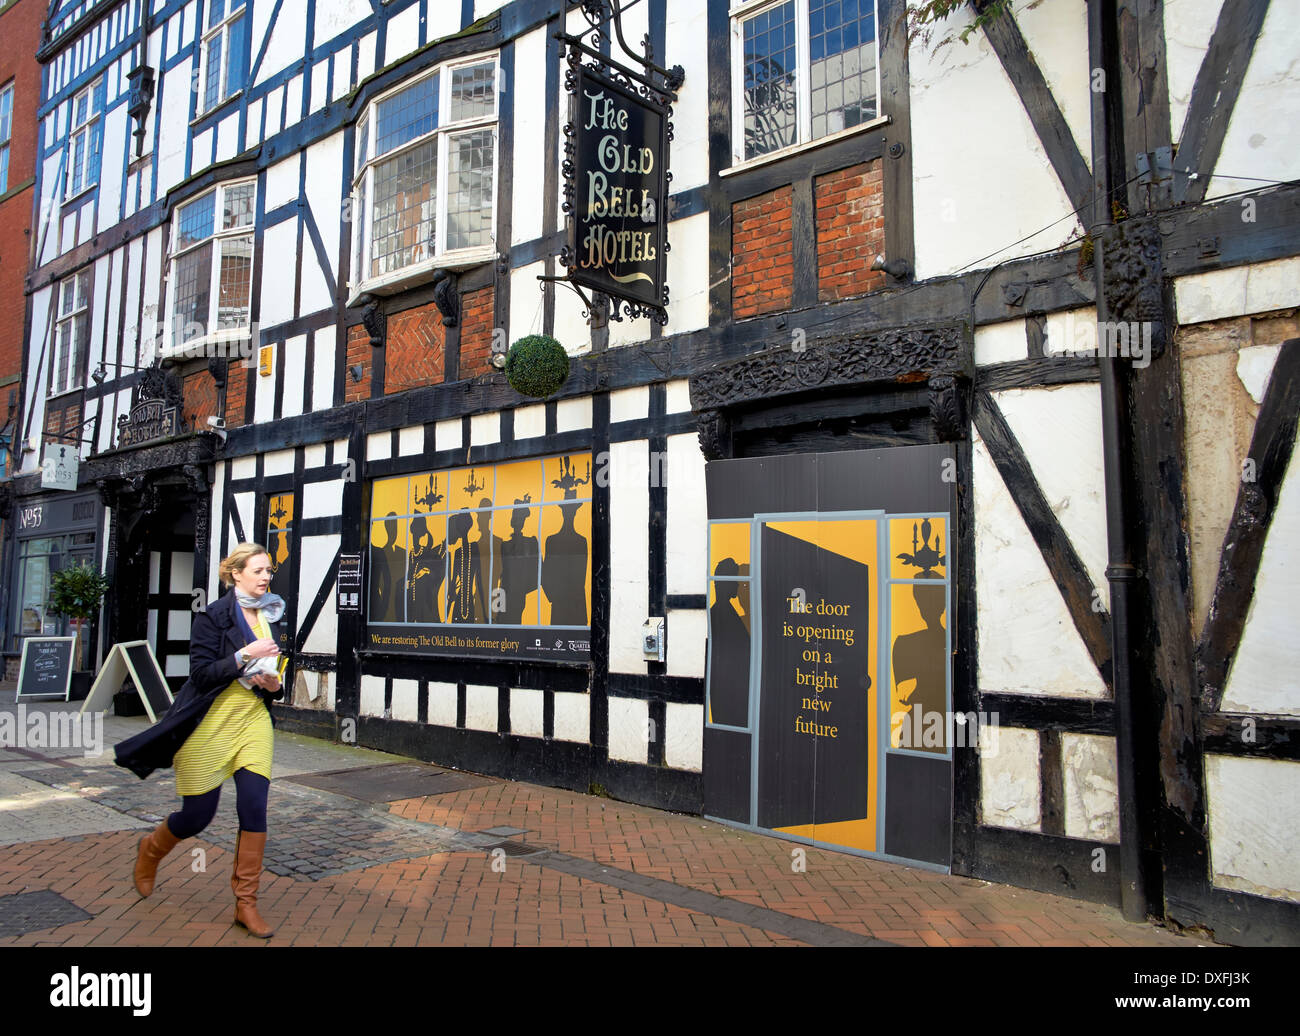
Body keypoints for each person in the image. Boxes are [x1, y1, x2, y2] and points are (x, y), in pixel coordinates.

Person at [115, 543, 290, 938]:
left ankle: (246, 903)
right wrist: (245, 655)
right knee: (197, 816)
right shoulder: (213, 617)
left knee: (254, 807)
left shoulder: (271, 614)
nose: (266, 577)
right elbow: (201, 674)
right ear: (236, 574)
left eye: (269, 571)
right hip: (208, 722)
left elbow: (275, 677)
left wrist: (274, 684)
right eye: (259, 570)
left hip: (252, 720)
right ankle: (152, 850)